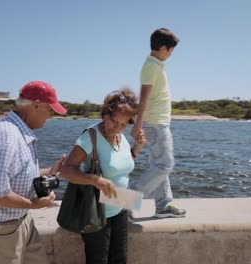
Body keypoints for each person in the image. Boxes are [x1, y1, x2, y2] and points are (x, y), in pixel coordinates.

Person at [0, 80, 68, 264]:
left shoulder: (15, 132)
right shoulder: (7, 136)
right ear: (35, 105)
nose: (52, 115)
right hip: (0, 230)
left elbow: (18, 173)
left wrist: (51, 171)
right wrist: (33, 204)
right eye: (50, 109)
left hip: (18, 221)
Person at [60, 88, 145, 264]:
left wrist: (136, 148)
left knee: (120, 259)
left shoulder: (121, 137)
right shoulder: (90, 137)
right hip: (96, 211)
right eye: (115, 122)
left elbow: (118, 164)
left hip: (120, 205)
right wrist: (95, 180)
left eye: (124, 124)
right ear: (105, 114)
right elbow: (66, 170)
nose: (118, 127)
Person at [130, 28, 187, 218]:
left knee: (159, 166)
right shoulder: (151, 67)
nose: (171, 54)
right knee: (165, 165)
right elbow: (144, 98)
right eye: (170, 50)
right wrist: (138, 124)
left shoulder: (155, 64)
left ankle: (163, 206)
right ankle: (124, 201)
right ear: (162, 48)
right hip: (156, 123)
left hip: (157, 122)